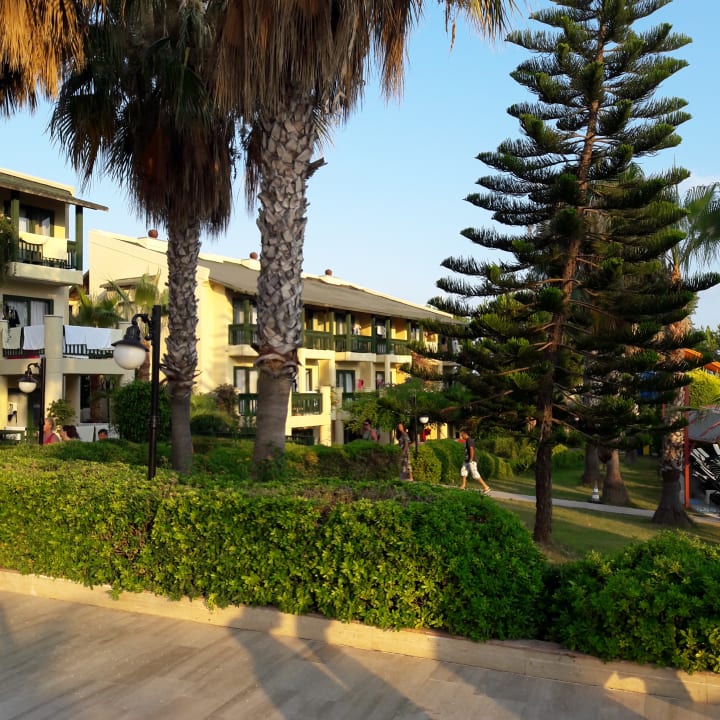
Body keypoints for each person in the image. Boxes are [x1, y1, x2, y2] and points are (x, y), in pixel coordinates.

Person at [459, 429, 491, 495]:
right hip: (467, 460)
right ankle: (463, 486)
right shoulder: (466, 441)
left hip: (471, 460)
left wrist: (471, 459)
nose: (461, 436)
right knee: (463, 471)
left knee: (475, 474)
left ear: (465, 434)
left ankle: (486, 487)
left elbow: (471, 449)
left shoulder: (469, 440)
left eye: (462, 435)